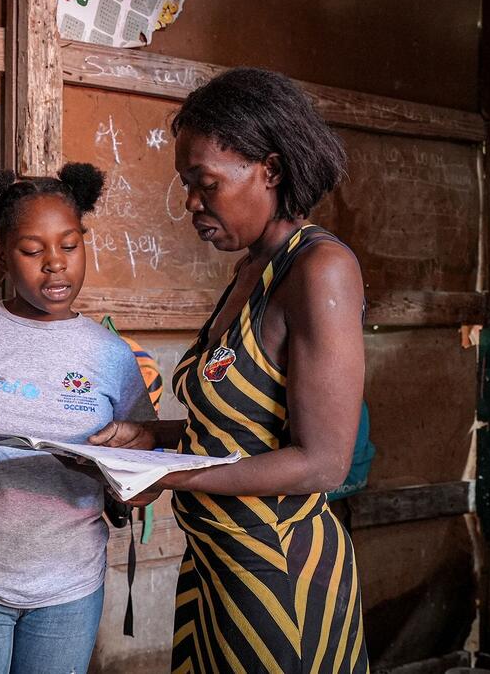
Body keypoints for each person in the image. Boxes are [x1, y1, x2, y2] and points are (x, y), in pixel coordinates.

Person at [89, 67, 370, 673]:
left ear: (269, 170)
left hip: (279, 574)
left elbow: (322, 462)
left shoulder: (319, 271)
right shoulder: (250, 272)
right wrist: (146, 441)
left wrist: (168, 476)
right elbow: (236, 431)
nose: (191, 202)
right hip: (217, 568)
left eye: (205, 183)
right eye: (186, 184)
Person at [0, 163, 156, 674]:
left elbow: (143, 474)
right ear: (3, 255)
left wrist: (121, 469)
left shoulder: (112, 354)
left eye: (70, 246)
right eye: (33, 251)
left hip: (70, 588)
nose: (54, 265)